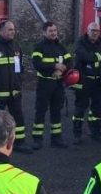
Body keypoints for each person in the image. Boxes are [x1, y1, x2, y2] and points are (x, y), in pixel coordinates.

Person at [0, 20, 33, 154]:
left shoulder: (16, 47)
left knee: (18, 117)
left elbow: (20, 67)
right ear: (1, 31)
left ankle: (20, 143)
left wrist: (19, 81)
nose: (13, 32)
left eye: (14, 29)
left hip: (14, 92)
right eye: (10, 29)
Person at [31, 20, 72, 149]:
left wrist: (61, 70)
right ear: (44, 32)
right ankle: (37, 139)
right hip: (45, 84)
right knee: (41, 111)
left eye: (55, 30)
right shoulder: (39, 47)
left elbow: (70, 61)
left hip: (58, 84)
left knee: (56, 111)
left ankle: (56, 138)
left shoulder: (60, 46)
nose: (53, 33)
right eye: (50, 31)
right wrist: (54, 66)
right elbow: (37, 64)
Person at [72, 22, 101, 144]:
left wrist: (93, 58)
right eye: (93, 30)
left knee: (97, 108)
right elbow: (84, 57)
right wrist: (97, 57)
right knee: (80, 107)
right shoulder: (80, 42)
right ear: (87, 30)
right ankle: (77, 133)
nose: (95, 33)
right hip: (84, 80)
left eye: (97, 31)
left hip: (98, 81)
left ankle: (95, 132)